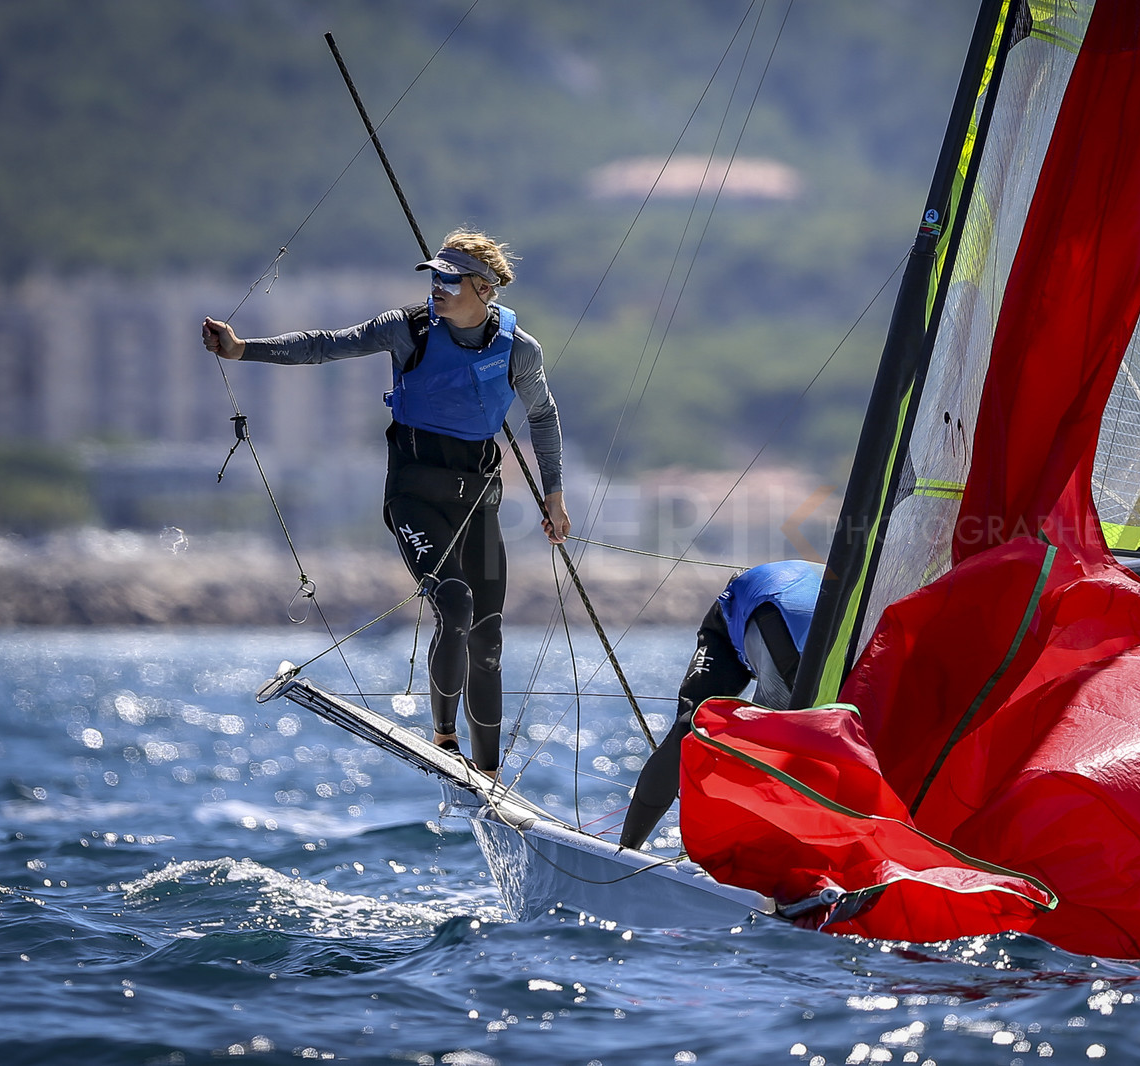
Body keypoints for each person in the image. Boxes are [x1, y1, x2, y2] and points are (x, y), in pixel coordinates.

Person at [201, 231, 569, 780]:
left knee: (488, 637)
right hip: (414, 496)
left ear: (484, 289)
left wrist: (554, 493)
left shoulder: (520, 349)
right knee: (456, 605)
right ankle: (445, 736)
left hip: (480, 502)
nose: (436, 289)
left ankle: (489, 778)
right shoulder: (408, 330)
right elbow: (325, 343)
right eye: (433, 278)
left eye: (449, 280)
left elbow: (542, 415)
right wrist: (241, 349)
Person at [619, 558, 823, 849]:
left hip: (803, 607)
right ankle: (629, 850)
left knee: (771, 751)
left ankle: (641, 850)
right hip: (762, 605)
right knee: (694, 730)